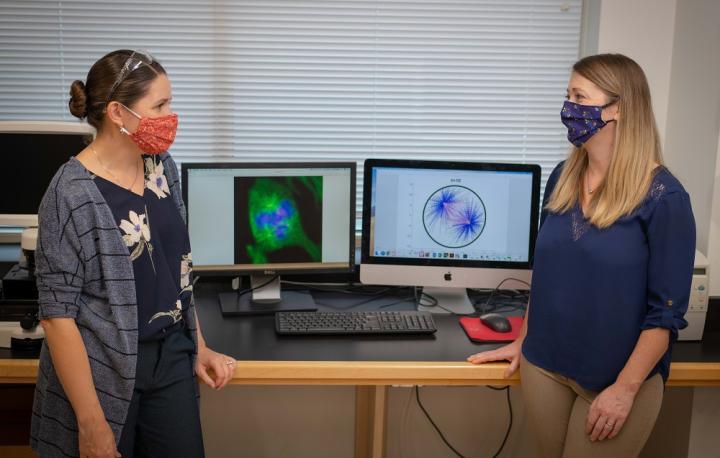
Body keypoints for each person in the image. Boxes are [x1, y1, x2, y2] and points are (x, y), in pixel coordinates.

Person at [467, 53, 696, 457]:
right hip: (544, 364)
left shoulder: (664, 198)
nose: (568, 108)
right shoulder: (562, 177)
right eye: (567, 94)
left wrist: (625, 391)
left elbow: (666, 315)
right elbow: (547, 273)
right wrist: (523, 338)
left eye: (580, 96)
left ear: (619, 108)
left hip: (614, 378)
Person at [31, 50, 236, 458]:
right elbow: (57, 319)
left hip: (172, 356)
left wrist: (200, 346)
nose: (170, 115)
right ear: (117, 113)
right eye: (159, 105)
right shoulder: (70, 194)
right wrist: (90, 423)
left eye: (169, 102)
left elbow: (177, 270)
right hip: (104, 368)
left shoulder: (161, 166)